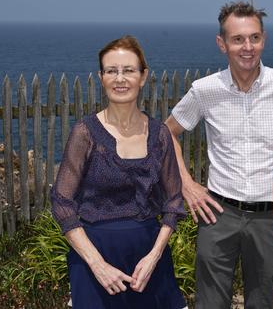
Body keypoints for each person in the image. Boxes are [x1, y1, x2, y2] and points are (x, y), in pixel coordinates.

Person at [165, 0, 273, 309]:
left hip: (272, 217)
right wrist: (187, 185)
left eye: (254, 37)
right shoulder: (205, 90)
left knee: (262, 301)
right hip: (218, 213)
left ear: (264, 39)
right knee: (210, 302)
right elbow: (166, 133)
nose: (248, 47)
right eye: (238, 39)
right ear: (222, 44)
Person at [50, 35, 187, 308]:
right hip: (94, 262)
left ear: (143, 76)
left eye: (128, 70)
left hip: (148, 262)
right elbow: (62, 203)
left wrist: (154, 256)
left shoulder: (159, 134)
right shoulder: (85, 134)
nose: (120, 78)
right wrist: (98, 265)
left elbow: (173, 201)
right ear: (101, 77)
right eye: (111, 71)